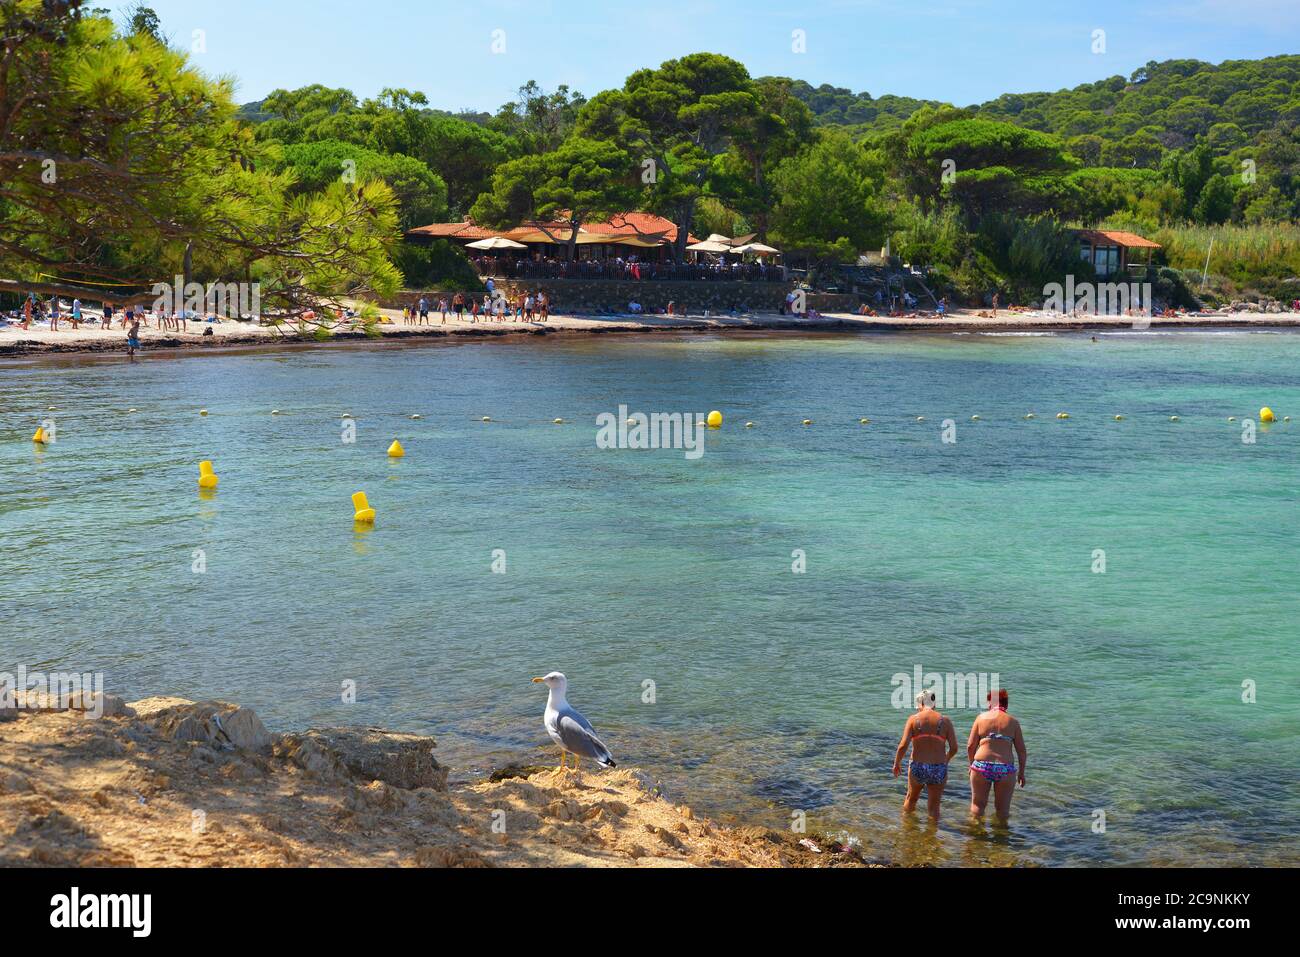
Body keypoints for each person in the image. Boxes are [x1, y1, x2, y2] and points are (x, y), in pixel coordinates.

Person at [893, 690, 959, 821]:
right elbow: (954, 748)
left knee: (911, 799)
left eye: (918, 704)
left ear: (922, 703)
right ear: (934, 703)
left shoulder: (913, 719)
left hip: (918, 766)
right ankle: (931, 837)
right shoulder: (945, 721)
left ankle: (906, 830)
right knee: (934, 807)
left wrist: (897, 763)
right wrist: (945, 760)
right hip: (938, 768)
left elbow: (903, 745)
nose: (917, 707)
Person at [966, 689, 1027, 825]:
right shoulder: (1013, 722)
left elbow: (970, 746)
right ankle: (1001, 840)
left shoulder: (981, 718)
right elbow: (1021, 751)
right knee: (1003, 810)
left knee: (977, 806)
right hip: (1005, 769)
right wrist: (1021, 773)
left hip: (981, 767)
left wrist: (971, 765)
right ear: (1006, 704)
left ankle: (975, 837)